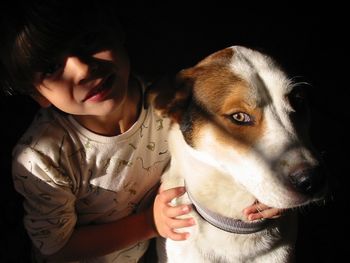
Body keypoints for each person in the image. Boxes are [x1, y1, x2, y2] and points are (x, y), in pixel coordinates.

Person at [0, 0, 284, 262]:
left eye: (88, 41)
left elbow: (221, 153)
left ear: (115, 31)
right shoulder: (41, 158)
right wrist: (149, 223)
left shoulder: (166, 103)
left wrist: (269, 187)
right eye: (51, 68)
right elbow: (57, 249)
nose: (83, 69)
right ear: (38, 95)